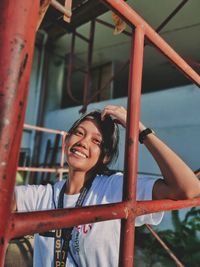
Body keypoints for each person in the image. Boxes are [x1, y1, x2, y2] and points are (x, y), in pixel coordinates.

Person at [14, 105, 200, 267]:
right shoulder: (44, 196)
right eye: (79, 133)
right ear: (66, 141)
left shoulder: (116, 188)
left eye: (96, 141)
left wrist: (140, 130)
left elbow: (189, 189)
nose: (83, 143)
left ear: (106, 156)